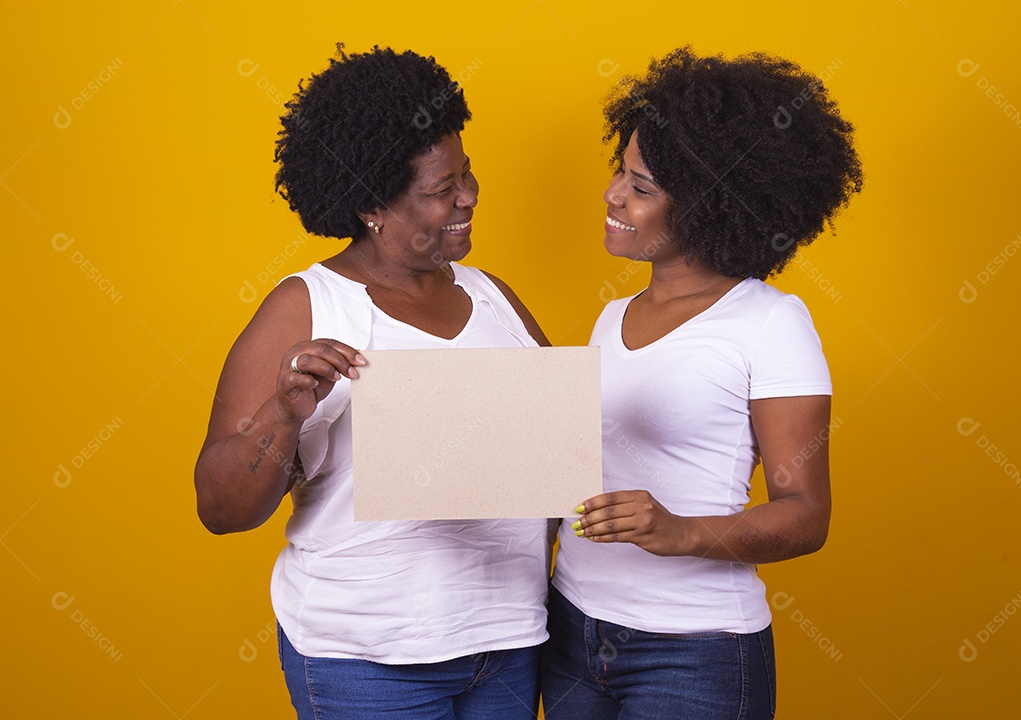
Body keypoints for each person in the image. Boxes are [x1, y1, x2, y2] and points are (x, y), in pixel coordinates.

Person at [194, 45, 551, 720]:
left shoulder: (496, 299)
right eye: (442, 190)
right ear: (370, 206)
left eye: (468, 175)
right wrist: (283, 414)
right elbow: (220, 508)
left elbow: (559, 464)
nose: (468, 196)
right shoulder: (307, 306)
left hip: (505, 646)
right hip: (364, 659)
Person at [541, 47, 862, 719]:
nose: (613, 195)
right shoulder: (611, 316)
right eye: (620, 172)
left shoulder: (771, 323)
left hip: (693, 651)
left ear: (710, 206)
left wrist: (681, 531)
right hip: (572, 628)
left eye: (642, 188)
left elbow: (806, 514)